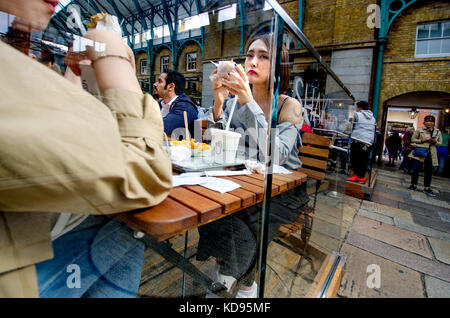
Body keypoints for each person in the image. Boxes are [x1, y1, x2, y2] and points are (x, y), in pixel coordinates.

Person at [0, 0, 172, 298]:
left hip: (23, 243)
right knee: (127, 228)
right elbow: (146, 172)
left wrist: (77, 71)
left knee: (120, 227)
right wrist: (112, 56)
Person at [196, 34, 303, 298]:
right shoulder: (234, 103)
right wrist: (219, 101)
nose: (253, 61)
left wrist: (248, 101)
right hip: (245, 183)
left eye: (263, 56)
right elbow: (214, 143)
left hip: (282, 192)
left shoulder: (290, 106)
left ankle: (237, 281)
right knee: (209, 204)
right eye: (249, 55)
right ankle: (233, 275)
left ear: (278, 65)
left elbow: (276, 156)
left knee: (247, 219)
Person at [153, 69, 198, 138]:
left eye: (159, 81)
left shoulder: (185, 107)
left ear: (171, 86)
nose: (155, 84)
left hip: (184, 148)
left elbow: (161, 128)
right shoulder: (159, 104)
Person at [408, 115, 442, 196]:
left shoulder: (437, 132)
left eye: (431, 121)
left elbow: (440, 143)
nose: (429, 123)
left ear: (434, 123)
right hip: (420, 152)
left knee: (429, 171)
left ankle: (427, 187)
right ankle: (413, 184)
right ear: (424, 122)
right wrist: (423, 140)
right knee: (416, 169)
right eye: (427, 121)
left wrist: (434, 141)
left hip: (431, 153)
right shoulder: (420, 130)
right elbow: (413, 140)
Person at [347, 101, 376, 182]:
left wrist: (351, 109)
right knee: (364, 160)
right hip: (369, 142)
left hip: (358, 140)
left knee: (355, 158)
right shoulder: (373, 118)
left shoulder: (357, 114)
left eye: (357, 107)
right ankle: (361, 176)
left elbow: (349, 122)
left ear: (359, 107)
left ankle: (356, 176)